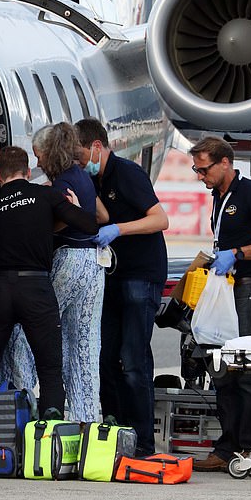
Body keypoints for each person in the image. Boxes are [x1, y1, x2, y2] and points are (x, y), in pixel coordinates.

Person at [0, 146, 99, 422]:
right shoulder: (45, 195)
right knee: (49, 369)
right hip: (34, 288)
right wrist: (72, 208)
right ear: (28, 172)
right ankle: (49, 443)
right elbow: (89, 226)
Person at [0, 122, 108, 422]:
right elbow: (102, 216)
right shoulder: (81, 178)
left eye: (39, 157)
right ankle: (87, 422)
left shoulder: (62, 186)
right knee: (83, 343)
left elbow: (55, 224)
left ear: (49, 153)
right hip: (94, 264)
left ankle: (22, 403)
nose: (37, 164)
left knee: (25, 332)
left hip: (69, 262)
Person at [188, 136, 251, 472]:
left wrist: (238, 254)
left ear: (224, 162)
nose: (200, 176)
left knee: (248, 371)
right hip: (225, 291)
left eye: (203, 170)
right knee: (223, 370)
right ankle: (228, 448)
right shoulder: (219, 197)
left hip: (247, 290)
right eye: (196, 170)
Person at [74, 118, 169, 456]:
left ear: (96, 147)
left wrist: (118, 229)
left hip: (140, 277)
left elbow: (160, 219)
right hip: (112, 278)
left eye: (80, 155)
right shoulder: (93, 181)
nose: (78, 162)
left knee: (132, 361)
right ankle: (116, 432)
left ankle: (143, 441)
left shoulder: (126, 174)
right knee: (105, 358)